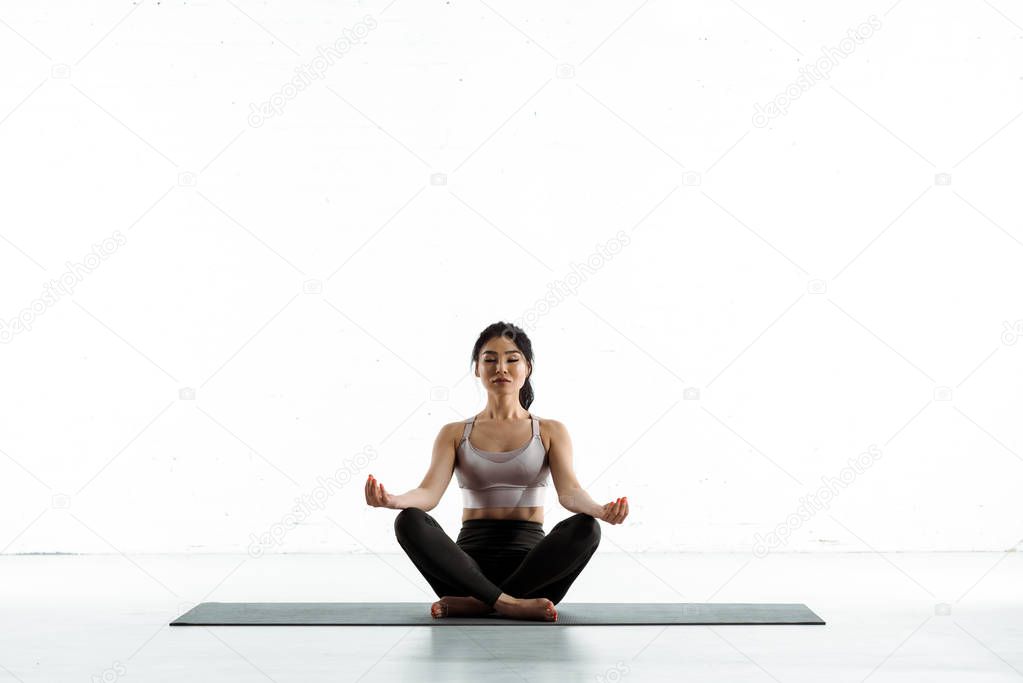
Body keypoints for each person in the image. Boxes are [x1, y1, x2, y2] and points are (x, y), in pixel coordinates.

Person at [365, 321, 629, 622]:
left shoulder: (549, 430)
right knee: (409, 520)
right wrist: (393, 500)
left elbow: (569, 493)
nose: (500, 367)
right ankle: (507, 604)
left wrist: (598, 510)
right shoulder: (454, 433)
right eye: (489, 359)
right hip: (464, 570)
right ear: (477, 369)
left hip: (532, 571)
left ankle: (481, 603)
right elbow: (428, 493)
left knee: (586, 528)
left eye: (511, 359)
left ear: (527, 367)